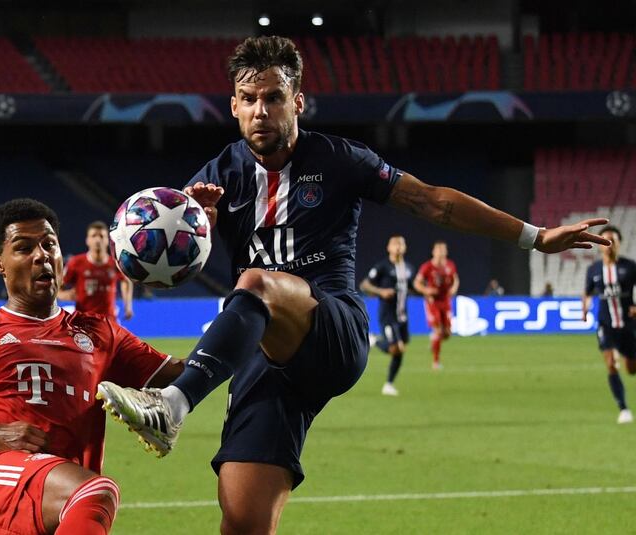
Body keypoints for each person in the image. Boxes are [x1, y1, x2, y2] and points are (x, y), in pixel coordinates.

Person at [96, 36, 609, 535]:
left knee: (256, 282)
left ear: (297, 102)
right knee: (242, 519)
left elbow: (434, 202)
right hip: (266, 360)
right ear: (233, 106)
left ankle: (172, 406)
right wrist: (201, 225)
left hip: (333, 330)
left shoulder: (340, 159)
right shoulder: (218, 175)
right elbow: (167, 264)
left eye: (273, 98)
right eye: (249, 100)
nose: (260, 111)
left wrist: (536, 236)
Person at [0, 198, 182, 535]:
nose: (41, 255)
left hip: (57, 498)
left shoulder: (99, 333)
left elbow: (186, 374)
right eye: (24, 247)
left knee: (89, 492)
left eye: (49, 244)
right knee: (96, 491)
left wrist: (246, 316)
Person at [582, 225, 636, 424]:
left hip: (629, 325)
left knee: (631, 369)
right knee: (611, 364)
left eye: (613, 240)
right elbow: (587, 292)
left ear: (620, 243)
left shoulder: (630, 267)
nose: (609, 245)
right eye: (605, 241)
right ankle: (623, 409)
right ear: (599, 246)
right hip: (606, 324)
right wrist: (584, 309)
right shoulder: (594, 270)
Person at [359, 235, 415, 395]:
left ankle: (389, 384)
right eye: (395, 244)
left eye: (401, 244)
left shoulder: (409, 269)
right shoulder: (382, 267)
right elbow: (364, 285)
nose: (398, 247)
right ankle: (374, 340)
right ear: (389, 248)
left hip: (403, 317)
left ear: (405, 248)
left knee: (400, 350)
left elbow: (413, 287)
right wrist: (380, 291)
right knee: (395, 348)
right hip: (388, 315)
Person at [58, 221, 134, 323]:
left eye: (102, 236)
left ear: (107, 240)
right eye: (94, 236)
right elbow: (57, 286)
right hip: (83, 322)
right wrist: (63, 295)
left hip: (109, 322)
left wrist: (128, 306)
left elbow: (126, 281)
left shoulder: (115, 264)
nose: (98, 240)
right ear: (87, 240)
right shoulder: (76, 262)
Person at [414, 240, 460, 369]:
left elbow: (455, 278)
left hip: (445, 301)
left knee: (447, 334)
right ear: (433, 252)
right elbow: (417, 283)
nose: (440, 252)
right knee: (439, 331)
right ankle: (436, 362)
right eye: (438, 250)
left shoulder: (450, 265)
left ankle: (434, 340)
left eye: (442, 249)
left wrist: (454, 288)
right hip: (432, 302)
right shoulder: (427, 267)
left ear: (446, 252)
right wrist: (426, 290)